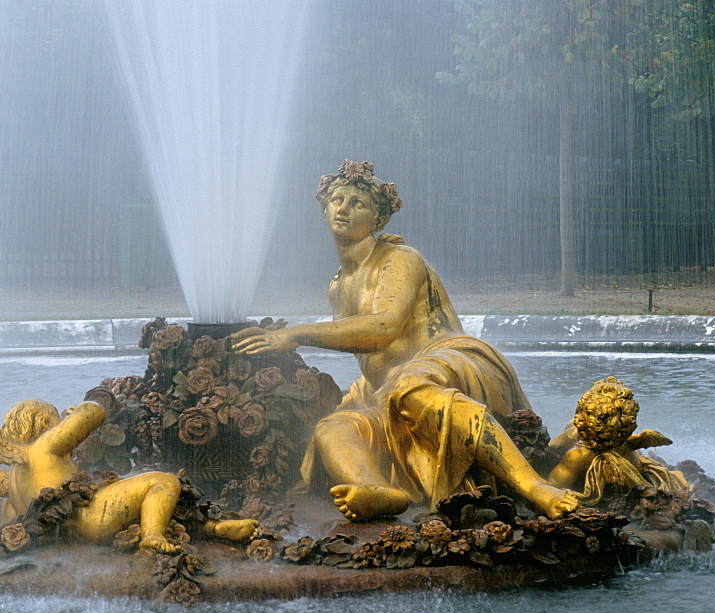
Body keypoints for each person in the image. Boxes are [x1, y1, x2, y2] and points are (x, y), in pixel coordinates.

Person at [232, 160, 577, 521]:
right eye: (336, 199)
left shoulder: (400, 259)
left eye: (358, 203)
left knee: (411, 389)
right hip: (385, 389)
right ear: (323, 210)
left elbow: (384, 327)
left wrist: (296, 334)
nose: (344, 208)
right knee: (333, 428)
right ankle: (377, 489)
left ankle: (534, 487)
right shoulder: (336, 287)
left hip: (449, 362)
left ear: (379, 221)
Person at [0, 399, 258, 553]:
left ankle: (214, 530)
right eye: (54, 418)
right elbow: (94, 414)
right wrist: (79, 409)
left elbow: (10, 519)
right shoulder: (44, 446)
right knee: (163, 482)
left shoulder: (12, 477)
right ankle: (153, 537)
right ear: (44, 422)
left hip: (68, 534)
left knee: (138, 499)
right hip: (91, 518)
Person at [547, 377, 691, 505]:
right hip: (636, 489)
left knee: (570, 428)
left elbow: (551, 487)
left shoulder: (578, 456)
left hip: (608, 498)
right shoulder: (627, 442)